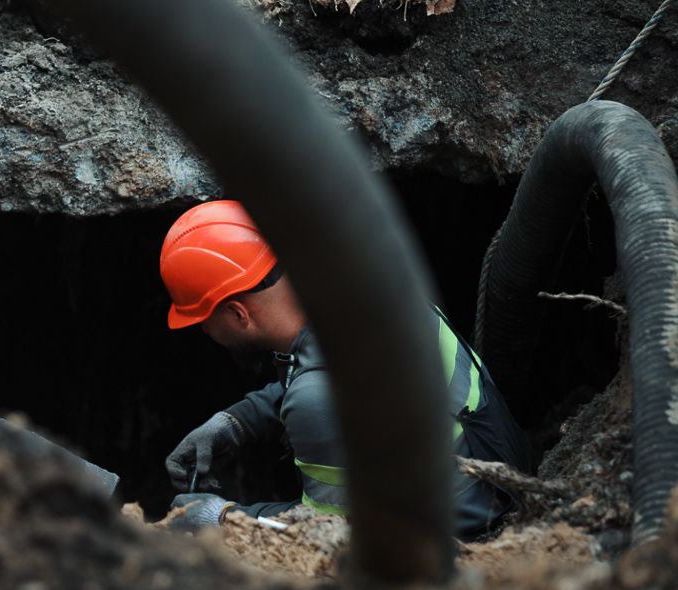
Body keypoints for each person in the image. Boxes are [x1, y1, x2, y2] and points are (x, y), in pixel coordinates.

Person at [161, 200, 533, 538]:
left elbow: (325, 537)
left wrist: (224, 518)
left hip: (466, 539)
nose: (204, 331)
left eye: (202, 320)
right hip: (502, 478)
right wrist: (238, 421)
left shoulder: (312, 399)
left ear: (239, 314)